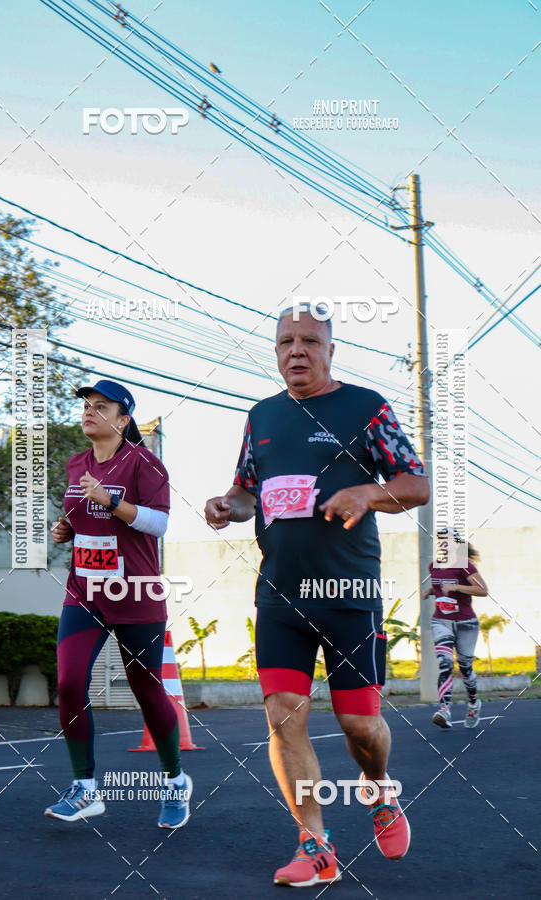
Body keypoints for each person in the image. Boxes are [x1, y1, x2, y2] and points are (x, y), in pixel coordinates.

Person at [204, 304, 430, 887]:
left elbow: (416, 483)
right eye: (285, 342)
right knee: (284, 717)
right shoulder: (262, 417)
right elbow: (248, 491)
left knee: (360, 725)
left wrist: (366, 493)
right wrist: (229, 507)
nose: (296, 351)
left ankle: (378, 789)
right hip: (280, 593)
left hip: (348, 591)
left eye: (309, 341)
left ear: (332, 350)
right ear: (276, 352)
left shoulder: (365, 407)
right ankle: (316, 845)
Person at [45, 379, 192, 827]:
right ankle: (85, 788)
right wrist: (67, 529)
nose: (89, 411)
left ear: (123, 419)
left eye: (101, 406)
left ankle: (174, 782)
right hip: (84, 592)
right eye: (86, 405)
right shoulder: (76, 463)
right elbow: (81, 513)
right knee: (70, 682)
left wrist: (110, 502)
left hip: (135, 593)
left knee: (147, 692)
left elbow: (159, 523)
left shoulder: (145, 464)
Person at [424, 529, 488, 730]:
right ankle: (444, 710)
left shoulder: (465, 566)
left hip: (466, 623)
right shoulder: (433, 566)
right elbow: (440, 590)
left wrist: (457, 588)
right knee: (444, 663)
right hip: (441, 621)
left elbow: (483, 590)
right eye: (440, 540)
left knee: (465, 668)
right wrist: (430, 591)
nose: (443, 543)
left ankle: (473, 703)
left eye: (448, 540)